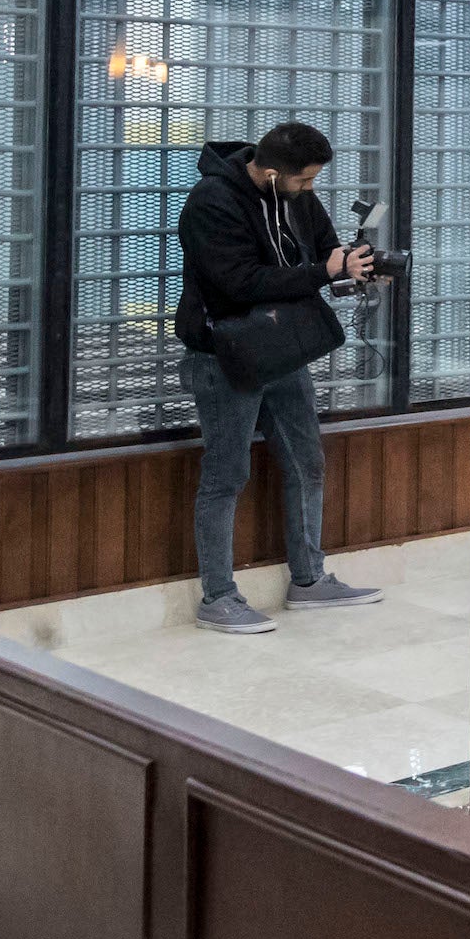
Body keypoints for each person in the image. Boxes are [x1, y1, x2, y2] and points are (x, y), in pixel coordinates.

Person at [175, 121, 385, 633]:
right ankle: (218, 597)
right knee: (227, 475)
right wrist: (321, 273)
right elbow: (236, 283)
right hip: (224, 355)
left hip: (285, 346)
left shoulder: (296, 197)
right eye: (304, 181)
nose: (310, 190)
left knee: (306, 461)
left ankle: (309, 581)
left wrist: (350, 267)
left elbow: (325, 248)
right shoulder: (210, 202)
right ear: (271, 175)